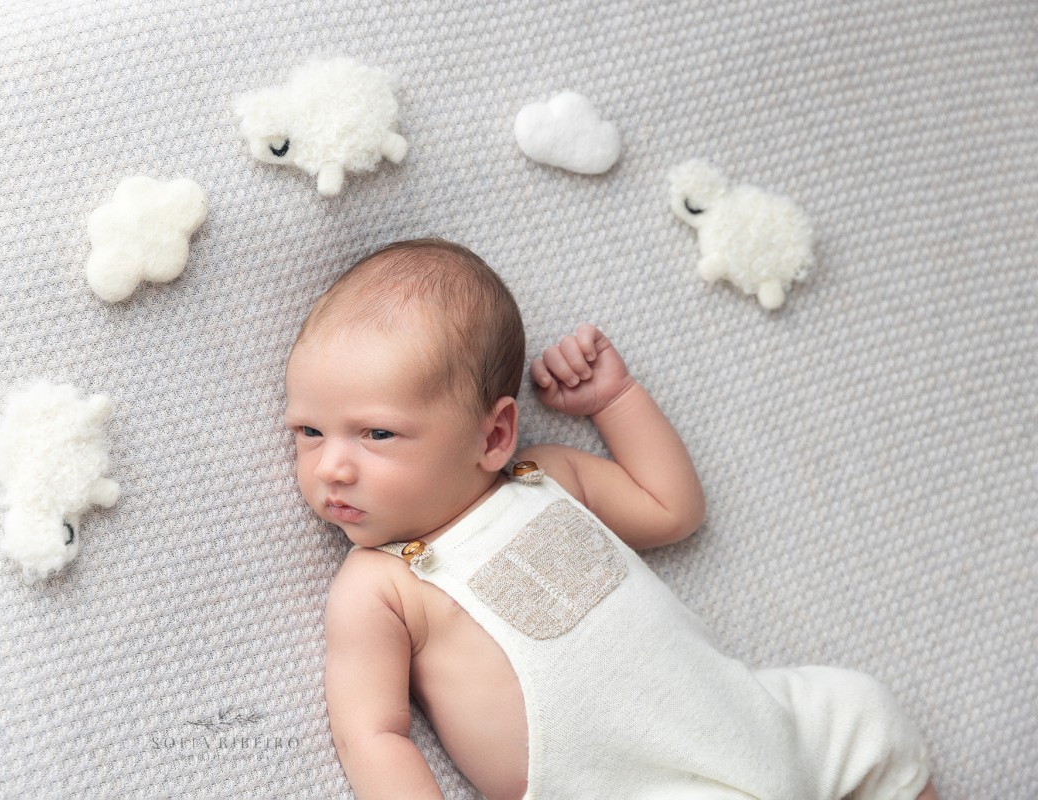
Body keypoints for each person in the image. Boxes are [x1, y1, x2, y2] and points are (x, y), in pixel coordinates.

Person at [284, 238, 936, 800]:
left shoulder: (545, 479)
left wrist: (617, 402)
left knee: (863, 712)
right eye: (309, 431)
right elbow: (371, 732)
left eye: (376, 433)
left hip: (750, 722)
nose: (331, 467)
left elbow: (673, 509)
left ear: (494, 436)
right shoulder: (380, 586)